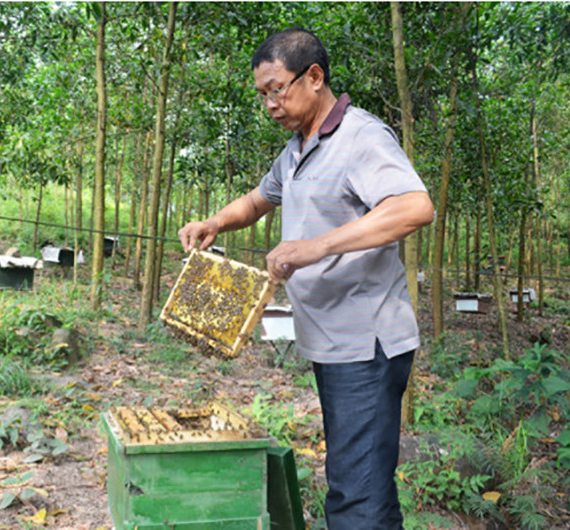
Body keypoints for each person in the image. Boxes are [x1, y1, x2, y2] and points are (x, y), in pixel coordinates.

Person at [178, 28, 434, 529]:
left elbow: (414, 206)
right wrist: (214, 222)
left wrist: (316, 246)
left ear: (314, 77)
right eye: (262, 95)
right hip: (330, 344)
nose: (270, 103)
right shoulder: (297, 148)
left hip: (367, 346)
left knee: (355, 500)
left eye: (276, 89)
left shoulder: (361, 136)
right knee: (364, 485)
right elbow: (257, 201)